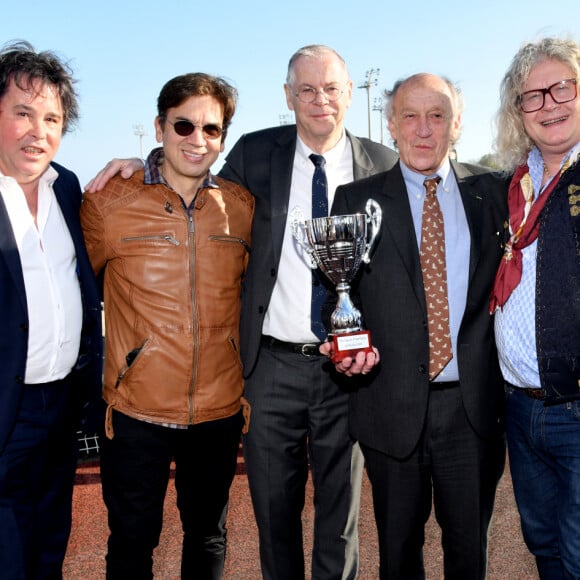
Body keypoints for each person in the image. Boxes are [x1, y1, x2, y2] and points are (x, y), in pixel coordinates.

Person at [85, 44, 398, 580]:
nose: (318, 100)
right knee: (268, 515)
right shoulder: (254, 159)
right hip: (265, 370)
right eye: (305, 89)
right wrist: (139, 164)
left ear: (349, 93)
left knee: (338, 515)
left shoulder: (383, 164)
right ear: (287, 96)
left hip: (343, 371)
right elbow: (181, 178)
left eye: (330, 88)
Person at [321, 73, 508, 579]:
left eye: (437, 115)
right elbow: (336, 296)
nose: (423, 129)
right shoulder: (354, 200)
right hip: (390, 407)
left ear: (456, 124)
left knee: (469, 556)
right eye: (410, 116)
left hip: (470, 412)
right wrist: (341, 343)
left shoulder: (494, 192)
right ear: (391, 126)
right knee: (398, 556)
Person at [80, 73, 254, 579]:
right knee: (132, 542)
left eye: (212, 129)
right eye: (183, 125)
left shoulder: (242, 209)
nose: (197, 140)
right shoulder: (108, 204)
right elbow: (68, 288)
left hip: (219, 410)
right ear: (159, 127)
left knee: (208, 537)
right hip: (136, 413)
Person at [0, 41, 103, 579]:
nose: (38, 131)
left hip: (61, 410)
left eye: (52, 118)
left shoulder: (66, 187)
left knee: (47, 554)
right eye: (22, 113)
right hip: (5, 416)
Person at [489, 37, 580, 579]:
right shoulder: (513, 183)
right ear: (517, 112)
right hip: (521, 409)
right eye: (532, 96)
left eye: (562, 88)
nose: (549, 105)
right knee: (544, 545)